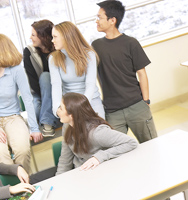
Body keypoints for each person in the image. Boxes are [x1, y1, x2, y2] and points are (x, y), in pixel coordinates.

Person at [0, 34, 43, 173]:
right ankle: (14, 190)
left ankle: (26, 186)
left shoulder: (17, 69)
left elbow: (27, 99)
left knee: (22, 150)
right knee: (0, 153)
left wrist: (34, 128)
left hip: (13, 117)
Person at [91, 0, 157, 143]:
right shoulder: (96, 46)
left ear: (112, 20)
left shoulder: (131, 43)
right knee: (117, 152)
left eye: (99, 17)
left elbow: (142, 74)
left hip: (137, 106)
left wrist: (145, 101)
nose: (96, 21)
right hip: (112, 112)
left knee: (151, 145)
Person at [56, 92, 138, 175]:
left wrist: (99, 157)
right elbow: (65, 159)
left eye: (61, 108)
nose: (57, 111)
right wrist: (57, 179)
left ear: (72, 115)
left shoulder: (97, 132)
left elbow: (131, 142)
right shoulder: (67, 126)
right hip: (81, 172)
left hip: (102, 173)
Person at [49, 21, 105, 127]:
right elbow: (56, 85)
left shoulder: (89, 54)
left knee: (98, 135)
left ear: (66, 37)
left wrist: (80, 107)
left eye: (55, 37)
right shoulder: (53, 58)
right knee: (72, 142)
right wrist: (57, 109)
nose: (52, 40)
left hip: (91, 102)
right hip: (69, 107)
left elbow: (90, 84)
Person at [23, 19, 61, 137]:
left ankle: (47, 122)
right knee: (34, 112)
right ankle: (49, 119)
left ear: (44, 36)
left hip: (60, 94)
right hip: (39, 96)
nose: (30, 37)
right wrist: (49, 100)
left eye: (33, 35)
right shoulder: (29, 52)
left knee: (46, 76)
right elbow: (33, 83)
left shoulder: (59, 50)